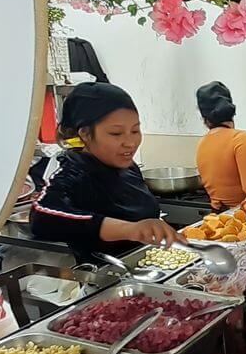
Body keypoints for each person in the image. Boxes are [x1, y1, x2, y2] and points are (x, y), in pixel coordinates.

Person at [31, 82, 184, 261]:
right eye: (116, 133)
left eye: (135, 130)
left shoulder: (128, 166)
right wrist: (130, 230)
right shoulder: (73, 173)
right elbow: (40, 217)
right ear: (85, 134)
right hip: (108, 281)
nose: (131, 142)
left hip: (149, 269)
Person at [195, 81, 246, 210]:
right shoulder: (241, 138)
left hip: (220, 217)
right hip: (245, 215)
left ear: (204, 118)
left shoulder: (202, 143)